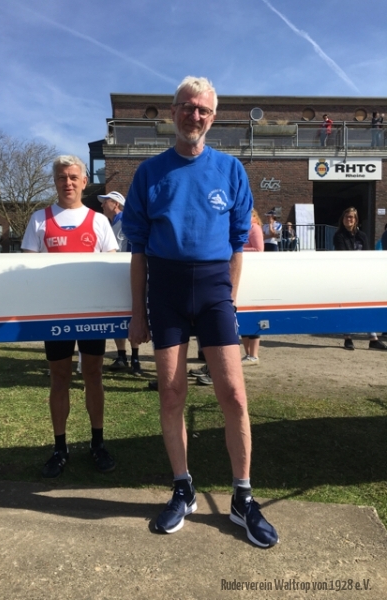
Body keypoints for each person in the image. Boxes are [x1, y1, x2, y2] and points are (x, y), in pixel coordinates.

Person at [122, 76, 278, 547]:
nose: (195, 116)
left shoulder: (230, 170)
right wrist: (137, 312)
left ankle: (242, 498)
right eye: (187, 107)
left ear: (213, 117)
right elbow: (138, 251)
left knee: (234, 394)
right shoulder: (149, 173)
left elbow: (238, 245)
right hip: (166, 290)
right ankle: (183, 488)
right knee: (171, 395)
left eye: (203, 110)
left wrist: (228, 299)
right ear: (173, 111)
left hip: (214, 292)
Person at [21, 155, 119, 477]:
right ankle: (59, 448)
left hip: (91, 315)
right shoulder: (39, 219)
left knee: (93, 375)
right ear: (55, 181)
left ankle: (98, 444)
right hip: (56, 316)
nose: (68, 182)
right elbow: (28, 271)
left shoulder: (99, 221)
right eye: (62, 177)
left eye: (74, 177)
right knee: (59, 377)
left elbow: (111, 269)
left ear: (84, 181)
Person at [97, 191, 142, 376]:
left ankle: (135, 358)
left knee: (132, 314)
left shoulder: (126, 221)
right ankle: (121, 355)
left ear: (115, 204)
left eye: (105, 202)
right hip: (114, 275)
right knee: (116, 313)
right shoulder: (109, 224)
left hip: (129, 273)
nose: (102, 205)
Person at [333, 207, 386, 351]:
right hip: (347, 275)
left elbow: (367, 254)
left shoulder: (362, 236)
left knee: (367, 305)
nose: (348, 219)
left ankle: (373, 338)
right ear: (343, 219)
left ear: (356, 220)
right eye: (346, 217)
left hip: (362, 275)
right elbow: (344, 254)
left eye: (351, 217)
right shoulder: (339, 236)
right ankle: (348, 338)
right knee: (347, 306)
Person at [241, 209, 264, 366]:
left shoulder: (254, 228)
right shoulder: (240, 228)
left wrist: (238, 249)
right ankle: (247, 353)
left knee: (253, 314)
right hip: (242, 273)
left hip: (252, 274)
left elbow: (258, 249)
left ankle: (254, 354)